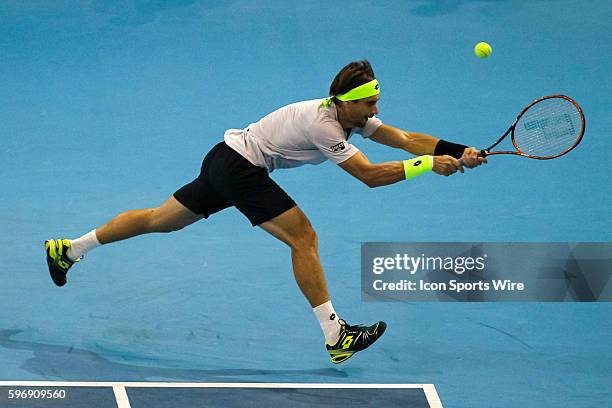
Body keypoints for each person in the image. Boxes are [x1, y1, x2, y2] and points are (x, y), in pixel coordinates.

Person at [45, 60, 486, 364]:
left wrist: (455, 150)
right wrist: (429, 165)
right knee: (304, 238)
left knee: (161, 220)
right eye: (369, 103)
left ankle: (68, 249)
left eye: (376, 101)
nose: (376, 110)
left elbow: (405, 137)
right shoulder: (324, 125)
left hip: (222, 158)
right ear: (346, 102)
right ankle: (336, 335)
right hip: (241, 169)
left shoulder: (346, 114)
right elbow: (369, 176)